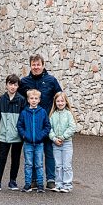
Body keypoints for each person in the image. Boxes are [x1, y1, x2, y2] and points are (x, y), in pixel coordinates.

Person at [19, 54, 63, 189]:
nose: (36, 67)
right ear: (30, 66)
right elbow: (20, 101)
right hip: (31, 124)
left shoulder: (51, 80)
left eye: (38, 64)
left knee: (49, 151)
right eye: (33, 64)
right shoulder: (24, 82)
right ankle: (33, 180)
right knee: (31, 153)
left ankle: (50, 179)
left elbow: (59, 97)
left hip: (46, 123)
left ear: (43, 65)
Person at [16, 88, 50, 193]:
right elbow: (19, 125)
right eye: (32, 98)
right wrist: (24, 135)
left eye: (36, 98)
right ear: (28, 100)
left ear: (39, 100)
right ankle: (28, 184)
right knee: (28, 164)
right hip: (28, 143)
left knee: (39, 164)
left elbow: (47, 126)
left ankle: (40, 185)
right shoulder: (24, 112)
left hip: (39, 143)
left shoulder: (42, 112)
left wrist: (41, 135)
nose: (34, 100)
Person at [48, 92, 77, 192]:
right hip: (56, 144)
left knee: (66, 165)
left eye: (62, 101)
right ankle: (59, 184)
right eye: (58, 101)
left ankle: (67, 185)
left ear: (66, 102)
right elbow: (49, 128)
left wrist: (63, 137)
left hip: (66, 143)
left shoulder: (68, 114)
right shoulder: (52, 115)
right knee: (58, 165)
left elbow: (72, 127)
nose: (60, 103)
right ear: (55, 102)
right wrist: (54, 138)